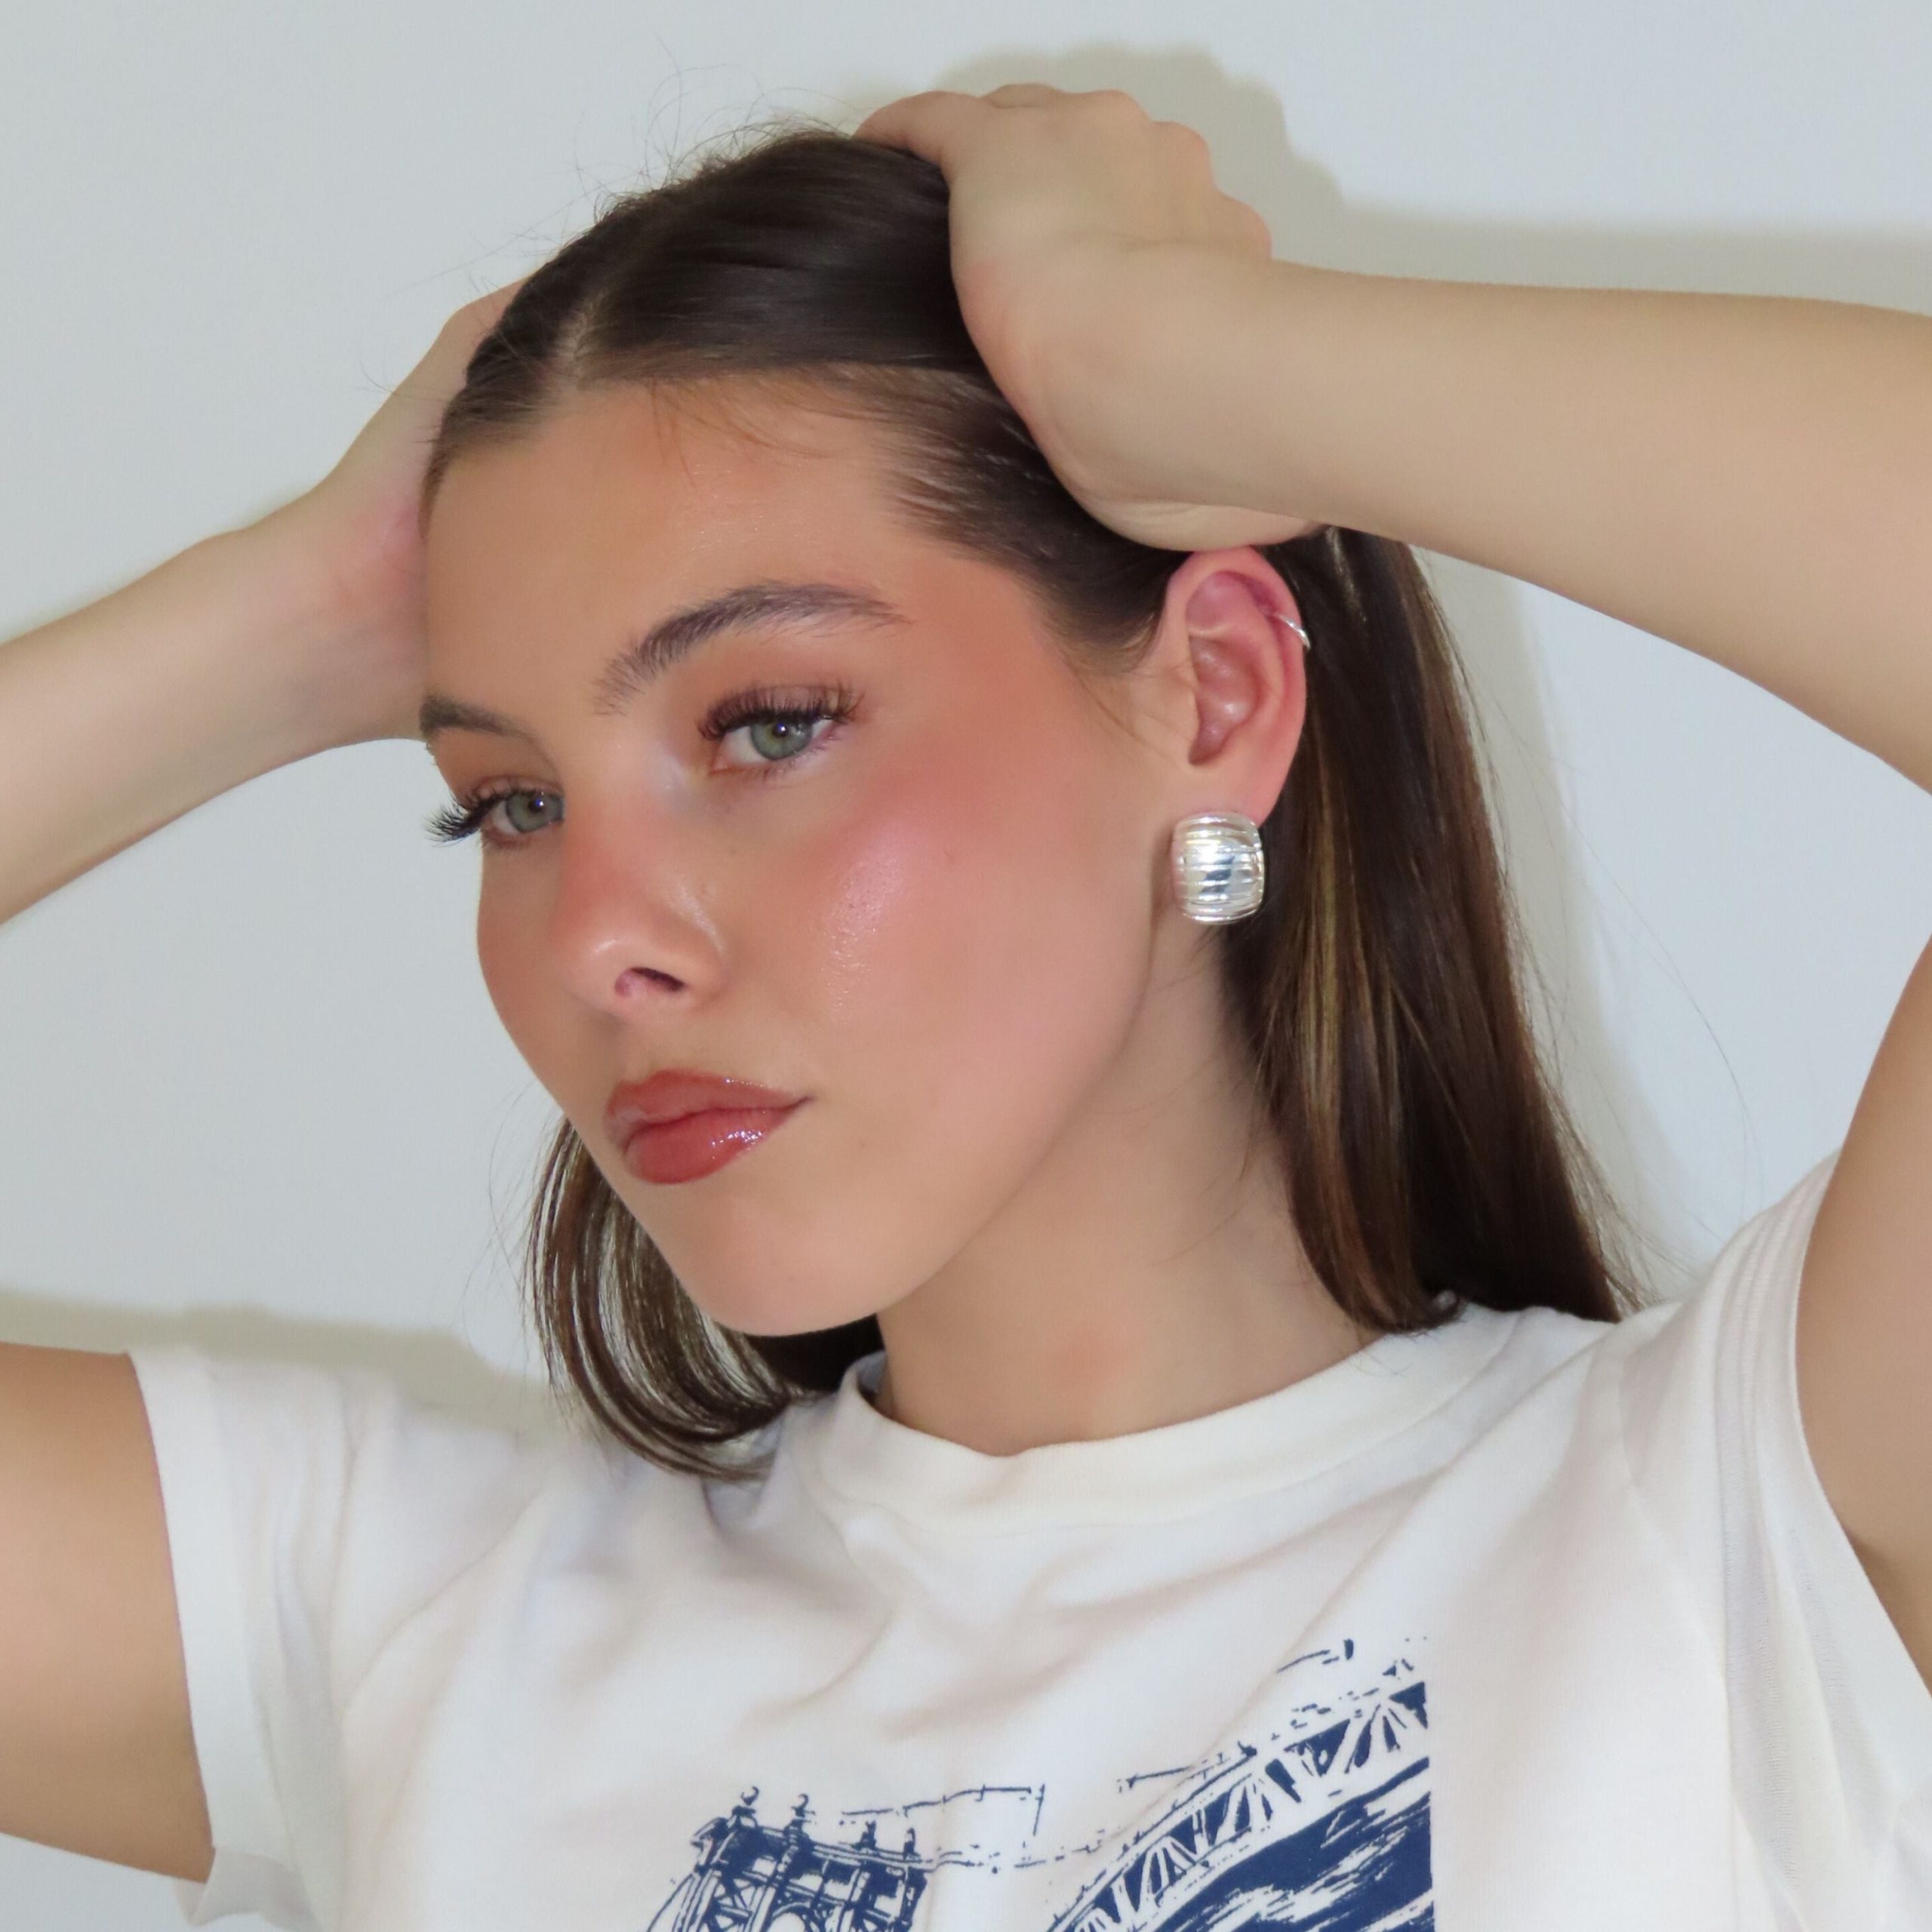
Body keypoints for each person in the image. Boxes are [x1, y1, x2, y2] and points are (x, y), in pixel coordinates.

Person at [1, 78, 1927, 1932]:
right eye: (511, 798)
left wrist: (1173, 357)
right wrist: (299, 616)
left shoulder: (1742, 1538)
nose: (595, 938)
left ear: (1215, 699)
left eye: (767, 723)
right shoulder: (410, 1626)